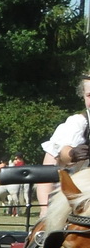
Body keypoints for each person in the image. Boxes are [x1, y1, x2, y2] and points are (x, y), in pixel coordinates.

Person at [38, 74, 90, 207]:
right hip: (78, 200)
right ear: (83, 96)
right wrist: (73, 154)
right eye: (89, 96)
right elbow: (61, 153)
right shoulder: (78, 123)